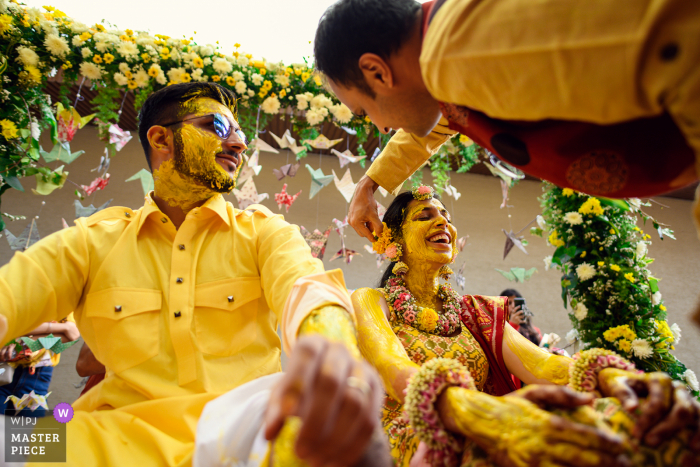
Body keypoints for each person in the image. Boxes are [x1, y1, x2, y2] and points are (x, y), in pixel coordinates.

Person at [0, 82, 384, 467]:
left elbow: (306, 288)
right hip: (109, 438)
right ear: (161, 139)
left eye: (240, 133)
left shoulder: (263, 233)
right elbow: (10, 295)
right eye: (218, 126)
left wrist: (331, 346)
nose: (238, 144)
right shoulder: (92, 242)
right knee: (11, 445)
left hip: (246, 434)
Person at [351, 186, 700, 466]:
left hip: (494, 423)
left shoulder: (475, 311)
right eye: (424, 216)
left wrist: (612, 377)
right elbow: (392, 367)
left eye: (445, 215)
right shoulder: (371, 300)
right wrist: (473, 412)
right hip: (411, 437)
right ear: (394, 242)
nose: (442, 222)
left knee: (622, 421)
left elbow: (544, 365)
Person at [311, 0, 700, 243]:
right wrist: (369, 186)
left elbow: (678, 46)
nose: (380, 127)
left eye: (365, 111)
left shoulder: (463, 52)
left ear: (377, 73)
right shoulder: (445, 68)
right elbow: (427, 131)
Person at [0, 317, 79, 417]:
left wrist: (25, 340)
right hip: (4, 368)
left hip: (38, 375)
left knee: (31, 430)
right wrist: (59, 328)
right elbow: (9, 325)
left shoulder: (63, 304)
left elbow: (72, 333)